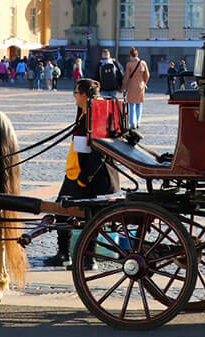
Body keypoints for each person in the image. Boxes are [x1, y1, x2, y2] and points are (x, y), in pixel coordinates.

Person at [43, 78, 120, 267]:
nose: (74, 97)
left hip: (91, 176)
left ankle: (88, 259)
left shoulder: (98, 112)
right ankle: (64, 254)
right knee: (61, 210)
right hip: (76, 171)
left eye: (76, 93)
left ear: (84, 95)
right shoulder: (88, 110)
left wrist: (84, 180)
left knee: (88, 216)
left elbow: (100, 152)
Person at [122, 47, 150, 131]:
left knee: (131, 104)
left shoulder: (129, 64)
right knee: (139, 104)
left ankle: (132, 123)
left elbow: (126, 77)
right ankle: (138, 121)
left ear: (130, 55)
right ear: (137, 55)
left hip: (132, 85)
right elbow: (147, 75)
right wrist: (145, 83)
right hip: (141, 85)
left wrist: (123, 87)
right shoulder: (143, 63)